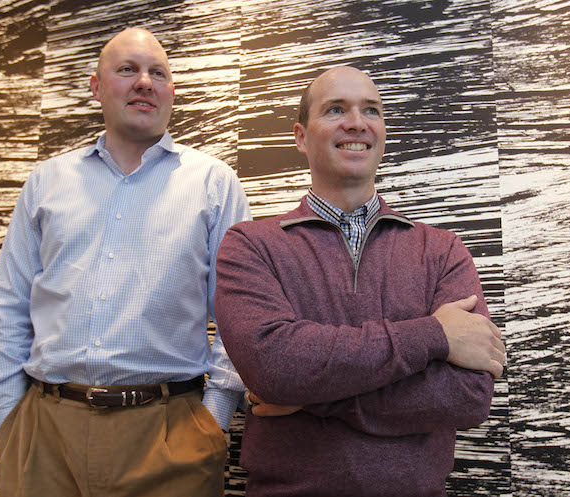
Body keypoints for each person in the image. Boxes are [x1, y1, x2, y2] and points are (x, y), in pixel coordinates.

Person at [0, 27, 250, 497]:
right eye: (127, 70)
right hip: (43, 438)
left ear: (171, 92)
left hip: (171, 438)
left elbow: (239, 317)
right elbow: (9, 304)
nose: (144, 82)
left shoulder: (213, 183)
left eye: (158, 73)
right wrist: (9, 419)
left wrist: (214, 421)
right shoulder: (47, 181)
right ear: (95, 86)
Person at [214, 66, 506, 497]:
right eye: (336, 109)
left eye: (371, 110)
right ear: (300, 136)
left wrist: (312, 397)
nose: (357, 122)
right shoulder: (250, 245)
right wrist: (434, 334)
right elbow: (273, 368)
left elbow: (469, 395)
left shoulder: (442, 250)